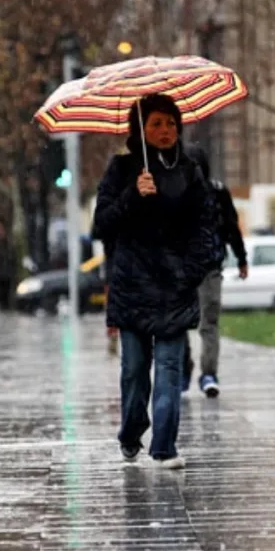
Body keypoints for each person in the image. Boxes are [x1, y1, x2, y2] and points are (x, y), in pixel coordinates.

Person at [91, 94, 220, 470]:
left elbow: (206, 226)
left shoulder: (191, 171)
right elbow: (102, 223)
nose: (166, 131)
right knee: (133, 370)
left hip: (175, 287)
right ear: (140, 129)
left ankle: (164, 447)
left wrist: (191, 270)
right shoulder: (122, 168)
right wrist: (134, 194)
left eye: (171, 123)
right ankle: (131, 433)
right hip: (132, 285)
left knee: (168, 367)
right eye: (156, 124)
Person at [180, 145, 249, 396]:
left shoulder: (217, 192)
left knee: (208, 322)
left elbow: (231, 226)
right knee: (181, 323)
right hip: (182, 268)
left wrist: (241, 258)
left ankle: (208, 373)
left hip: (209, 267)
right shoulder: (176, 195)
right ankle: (186, 370)